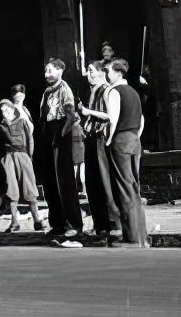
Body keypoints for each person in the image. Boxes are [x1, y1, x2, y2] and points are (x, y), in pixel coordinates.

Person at [77, 60, 121, 245]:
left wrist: (87, 112)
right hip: (90, 138)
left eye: (91, 70)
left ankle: (112, 225)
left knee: (104, 181)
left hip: (101, 139)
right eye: (88, 71)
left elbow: (110, 116)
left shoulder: (107, 90)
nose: (88, 74)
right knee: (92, 182)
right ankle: (100, 226)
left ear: (101, 73)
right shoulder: (92, 91)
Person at [38, 57, 83, 239]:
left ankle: (73, 223)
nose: (47, 74)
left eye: (50, 70)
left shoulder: (65, 89)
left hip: (60, 131)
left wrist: (61, 134)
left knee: (63, 181)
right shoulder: (48, 91)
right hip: (48, 132)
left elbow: (71, 116)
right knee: (49, 181)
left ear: (59, 71)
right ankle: (56, 223)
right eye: (46, 71)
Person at [105, 58, 148, 247]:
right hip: (134, 139)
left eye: (109, 71)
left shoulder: (115, 91)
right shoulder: (134, 93)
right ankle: (141, 236)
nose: (107, 75)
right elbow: (142, 119)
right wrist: (136, 135)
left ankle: (130, 237)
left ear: (117, 72)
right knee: (134, 187)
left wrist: (108, 140)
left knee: (124, 188)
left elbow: (112, 119)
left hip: (121, 139)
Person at [0, 98, 44, 233]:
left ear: (12, 109)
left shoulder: (22, 122)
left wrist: (28, 156)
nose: (4, 113)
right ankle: (14, 222)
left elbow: (30, 140)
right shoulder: (2, 126)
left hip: (23, 155)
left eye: (7, 110)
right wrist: (2, 159)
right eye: (2, 111)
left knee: (29, 186)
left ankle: (36, 219)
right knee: (11, 188)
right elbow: (0, 144)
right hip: (9, 157)